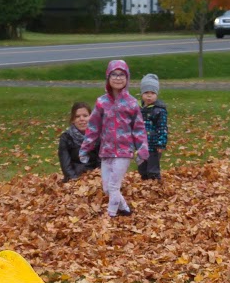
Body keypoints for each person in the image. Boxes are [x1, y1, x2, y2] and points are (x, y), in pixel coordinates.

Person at [80, 59, 149, 218]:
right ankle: (124, 209)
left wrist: (142, 151)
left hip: (124, 152)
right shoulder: (101, 102)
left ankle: (110, 216)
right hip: (107, 151)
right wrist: (85, 148)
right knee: (106, 188)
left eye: (122, 75)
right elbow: (93, 128)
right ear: (108, 77)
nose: (118, 78)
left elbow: (138, 128)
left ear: (127, 78)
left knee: (113, 186)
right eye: (114, 74)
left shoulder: (132, 103)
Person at [138, 73, 168, 181]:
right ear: (142, 94)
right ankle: (145, 183)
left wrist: (161, 143)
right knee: (142, 168)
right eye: (146, 92)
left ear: (157, 94)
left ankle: (155, 185)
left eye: (152, 93)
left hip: (153, 145)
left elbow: (162, 127)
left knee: (153, 168)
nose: (149, 95)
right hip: (141, 145)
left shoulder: (159, 110)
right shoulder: (139, 109)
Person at [58, 102, 97, 182]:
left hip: (96, 179)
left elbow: (102, 162)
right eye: (77, 116)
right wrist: (75, 181)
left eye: (85, 116)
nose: (81, 119)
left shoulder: (98, 136)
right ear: (73, 120)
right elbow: (66, 165)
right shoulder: (66, 138)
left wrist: (95, 178)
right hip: (73, 179)